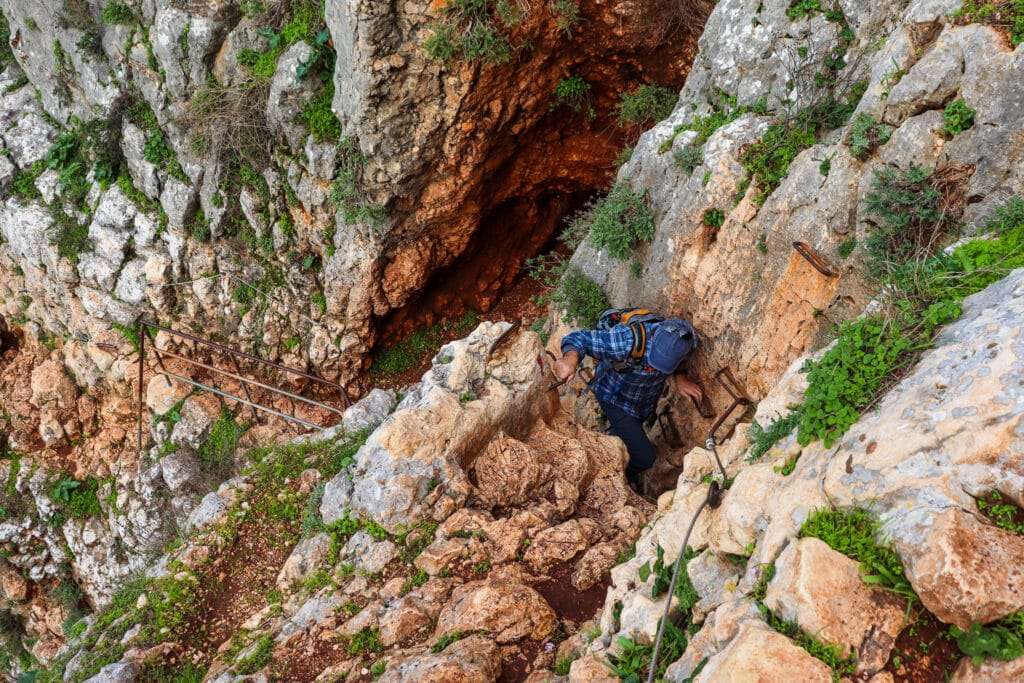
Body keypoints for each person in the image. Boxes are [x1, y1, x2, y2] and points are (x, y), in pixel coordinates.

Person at [552, 317, 702, 487]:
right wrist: (570, 360)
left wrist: (681, 378)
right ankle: (614, 477)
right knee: (645, 457)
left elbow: (680, 360)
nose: (656, 369)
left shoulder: (685, 343)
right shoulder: (627, 340)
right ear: (654, 337)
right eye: (655, 362)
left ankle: (614, 450)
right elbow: (579, 338)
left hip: (641, 404)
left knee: (622, 439)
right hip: (615, 399)